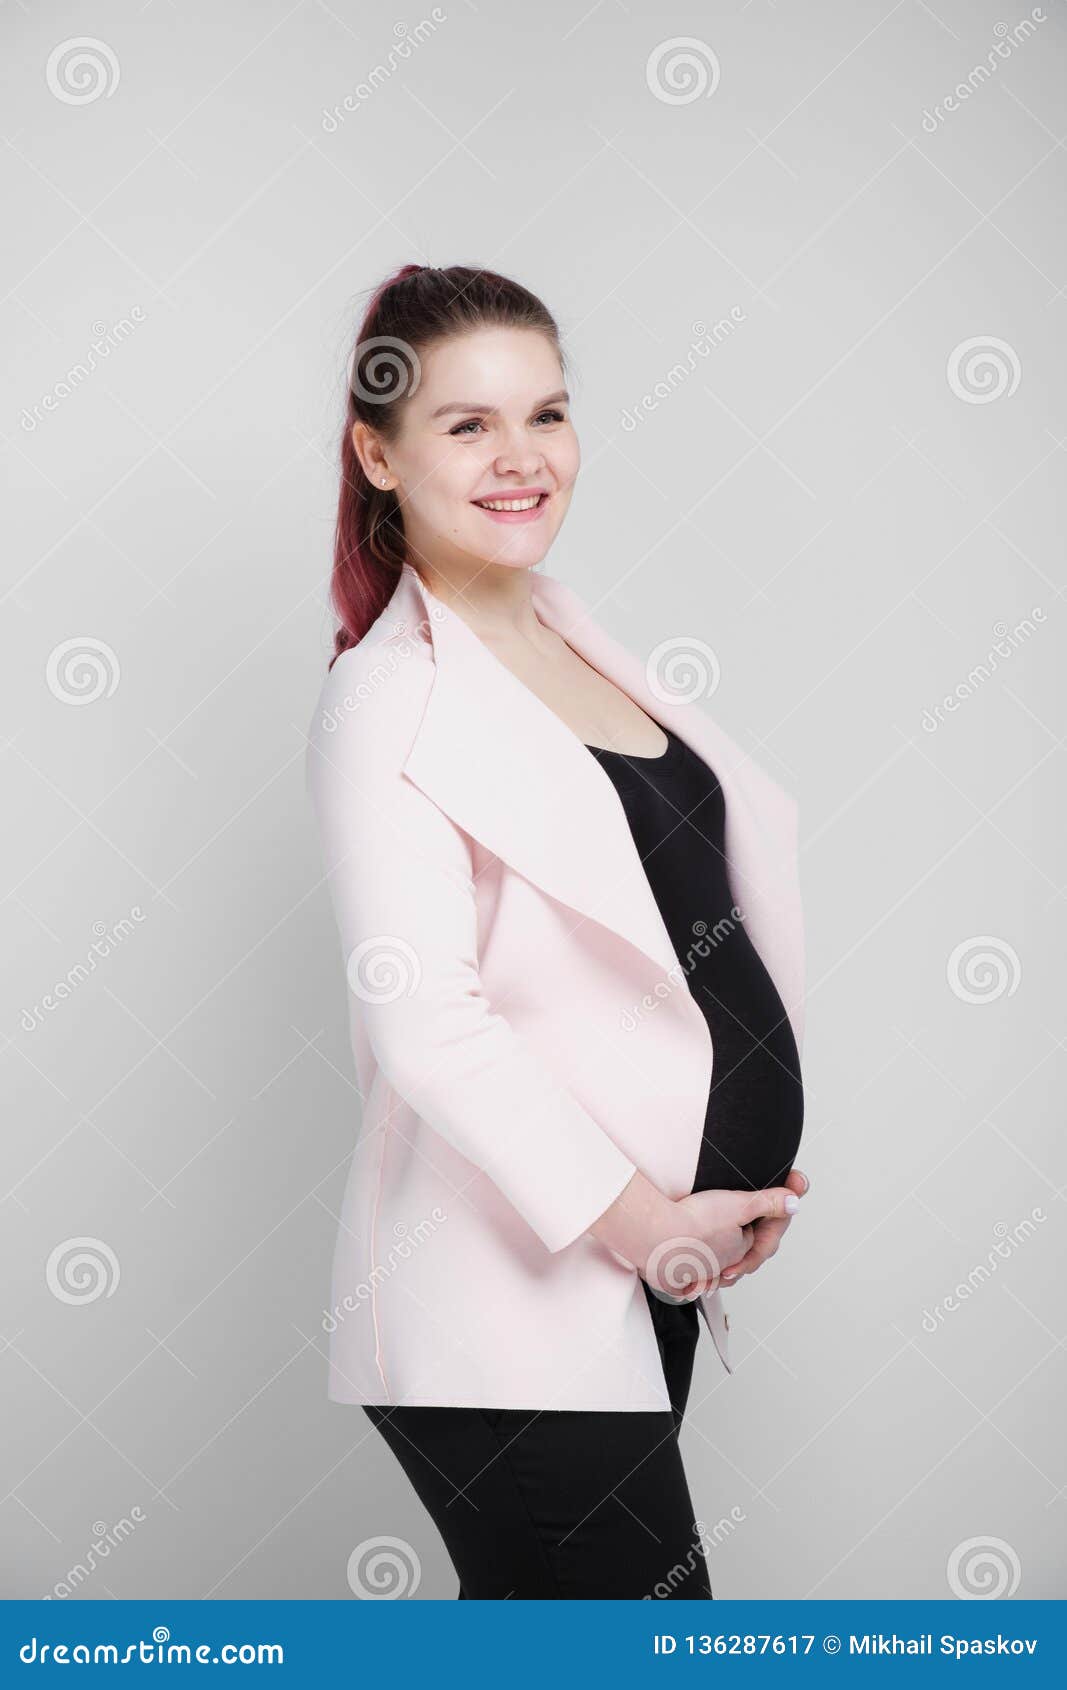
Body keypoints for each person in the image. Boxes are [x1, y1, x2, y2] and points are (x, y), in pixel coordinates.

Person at [306, 263, 809, 1599]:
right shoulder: (388, 699)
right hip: (504, 1288)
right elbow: (427, 1019)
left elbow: (673, 929)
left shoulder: (572, 638)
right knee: (627, 1647)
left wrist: (724, 1176)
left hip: (637, 1272)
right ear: (379, 450)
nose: (522, 457)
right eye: (467, 424)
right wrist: (653, 1220)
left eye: (548, 412)